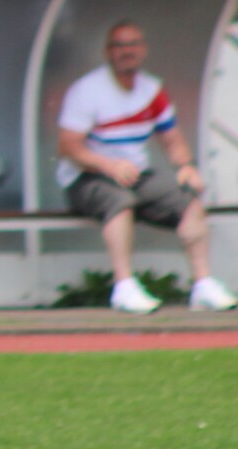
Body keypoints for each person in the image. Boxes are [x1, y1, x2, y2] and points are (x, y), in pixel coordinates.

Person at [56, 21, 237, 314]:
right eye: (119, 45)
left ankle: (203, 284)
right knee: (119, 202)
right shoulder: (87, 90)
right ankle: (124, 286)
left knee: (189, 201)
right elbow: (68, 147)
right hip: (86, 177)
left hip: (136, 175)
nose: (127, 51)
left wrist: (187, 167)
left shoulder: (152, 90)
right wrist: (108, 165)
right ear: (108, 52)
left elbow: (172, 140)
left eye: (133, 44)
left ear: (143, 49)